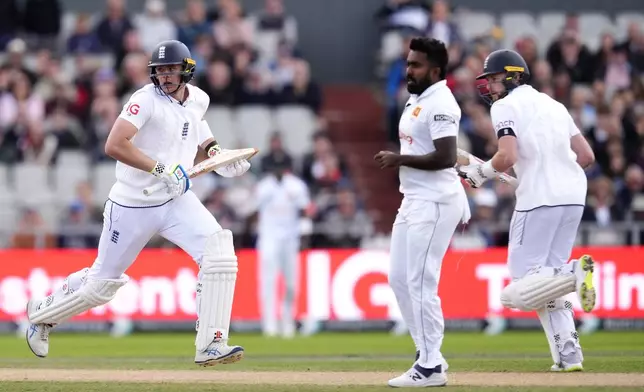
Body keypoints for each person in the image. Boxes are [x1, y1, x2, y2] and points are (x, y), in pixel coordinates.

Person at [25, 40, 251, 367]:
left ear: (186, 69)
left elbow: (198, 130)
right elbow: (114, 144)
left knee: (219, 255)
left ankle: (212, 344)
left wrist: (219, 155)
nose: (166, 76)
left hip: (176, 199)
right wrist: (160, 169)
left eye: (172, 70)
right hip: (134, 204)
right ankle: (41, 316)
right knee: (101, 285)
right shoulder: (144, 100)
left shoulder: (198, 98)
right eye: (160, 71)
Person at [457, 49, 597, 372]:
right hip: (574, 195)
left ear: (512, 75)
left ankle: (573, 273)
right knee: (543, 279)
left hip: (539, 198)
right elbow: (586, 156)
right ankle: (568, 352)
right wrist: (544, 169)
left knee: (519, 287)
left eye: (493, 79)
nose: (490, 87)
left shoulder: (505, 106)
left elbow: (506, 156)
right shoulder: (554, 104)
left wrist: (482, 172)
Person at [374, 37, 470, 388]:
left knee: (420, 281)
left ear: (436, 70)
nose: (408, 70)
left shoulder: (442, 102)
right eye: (408, 62)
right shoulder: (418, 99)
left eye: (415, 65)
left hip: (436, 201)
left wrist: (399, 159)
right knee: (399, 279)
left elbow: (445, 156)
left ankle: (430, 366)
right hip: (413, 198)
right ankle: (427, 354)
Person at [254, 156, 310, 338]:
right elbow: (253, 212)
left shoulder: (296, 186)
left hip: (290, 239)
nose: (278, 171)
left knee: (292, 284)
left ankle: (288, 323)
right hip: (268, 238)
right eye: (275, 168)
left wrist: (304, 236)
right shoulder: (263, 187)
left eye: (281, 168)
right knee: (268, 282)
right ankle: (269, 325)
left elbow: (304, 211)